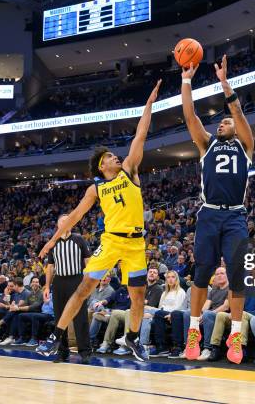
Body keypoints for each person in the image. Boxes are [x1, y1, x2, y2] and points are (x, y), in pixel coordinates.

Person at [37, 80, 162, 362]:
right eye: (109, 157)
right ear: (101, 167)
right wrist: (52, 240)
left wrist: (149, 104)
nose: (115, 157)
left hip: (135, 244)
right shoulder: (95, 188)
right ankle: (55, 337)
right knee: (84, 290)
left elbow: (140, 136)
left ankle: (132, 339)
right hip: (111, 242)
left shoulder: (129, 170)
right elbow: (75, 217)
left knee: (138, 294)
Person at [181, 54, 255, 364]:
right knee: (202, 273)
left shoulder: (246, 144)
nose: (221, 124)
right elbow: (189, 115)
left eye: (225, 122)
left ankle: (235, 335)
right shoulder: (206, 144)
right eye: (220, 122)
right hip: (209, 213)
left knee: (238, 275)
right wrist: (186, 80)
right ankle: (194, 330)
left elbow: (236, 110)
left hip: (236, 214)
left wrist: (225, 84)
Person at [41, 214, 92, 362]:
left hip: (77, 280)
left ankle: (85, 352)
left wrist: (88, 282)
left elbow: (88, 262)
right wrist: (46, 287)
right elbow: (50, 267)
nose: (66, 222)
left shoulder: (79, 239)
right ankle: (62, 352)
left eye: (68, 220)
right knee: (59, 318)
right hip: (59, 282)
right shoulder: (53, 242)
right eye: (63, 221)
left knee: (80, 317)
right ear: (58, 225)